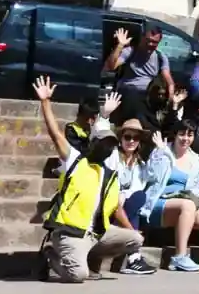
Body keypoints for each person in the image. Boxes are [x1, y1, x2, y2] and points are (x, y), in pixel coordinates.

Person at [33, 77, 154, 281]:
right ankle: (51, 257)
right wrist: (45, 102)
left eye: (111, 145)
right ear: (94, 145)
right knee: (78, 275)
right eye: (104, 143)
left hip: (95, 234)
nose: (108, 148)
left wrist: (132, 230)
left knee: (135, 239)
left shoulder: (110, 175)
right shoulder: (76, 161)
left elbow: (116, 207)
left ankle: (87, 259)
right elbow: (55, 135)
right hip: (71, 232)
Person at [139, 121, 199, 272]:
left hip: (182, 205)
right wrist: (160, 153)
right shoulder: (162, 151)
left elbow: (194, 189)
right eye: (182, 134)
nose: (185, 138)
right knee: (187, 205)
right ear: (175, 135)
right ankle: (179, 257)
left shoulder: (195, 159)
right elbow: (149, 176)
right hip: (157, 203)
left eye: (190, 135)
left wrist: (194, 194)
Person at [105, 26, 176, 111]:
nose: (150, 44)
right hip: (128, 93)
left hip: (148, 97)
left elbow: (169, 80)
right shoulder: (130, 51)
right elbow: (111, 66)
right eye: (148, 40)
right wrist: (120, 45)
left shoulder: (160, 57)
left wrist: (170, 97)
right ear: (142, 38)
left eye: (154, 42)